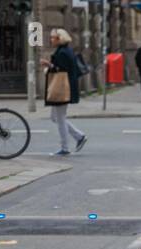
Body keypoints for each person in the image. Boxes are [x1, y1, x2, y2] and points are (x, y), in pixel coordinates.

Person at [43, 28, 87, 156]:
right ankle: (79, 136)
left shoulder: (62, 52)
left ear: (59, 39)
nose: (51, 40)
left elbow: (60, 69)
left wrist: (48, 65)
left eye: (53, 38)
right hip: (65, 87)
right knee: (55, 117)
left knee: (60, 118)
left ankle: (65, 147)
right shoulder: (65, 50)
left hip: (62, 88)